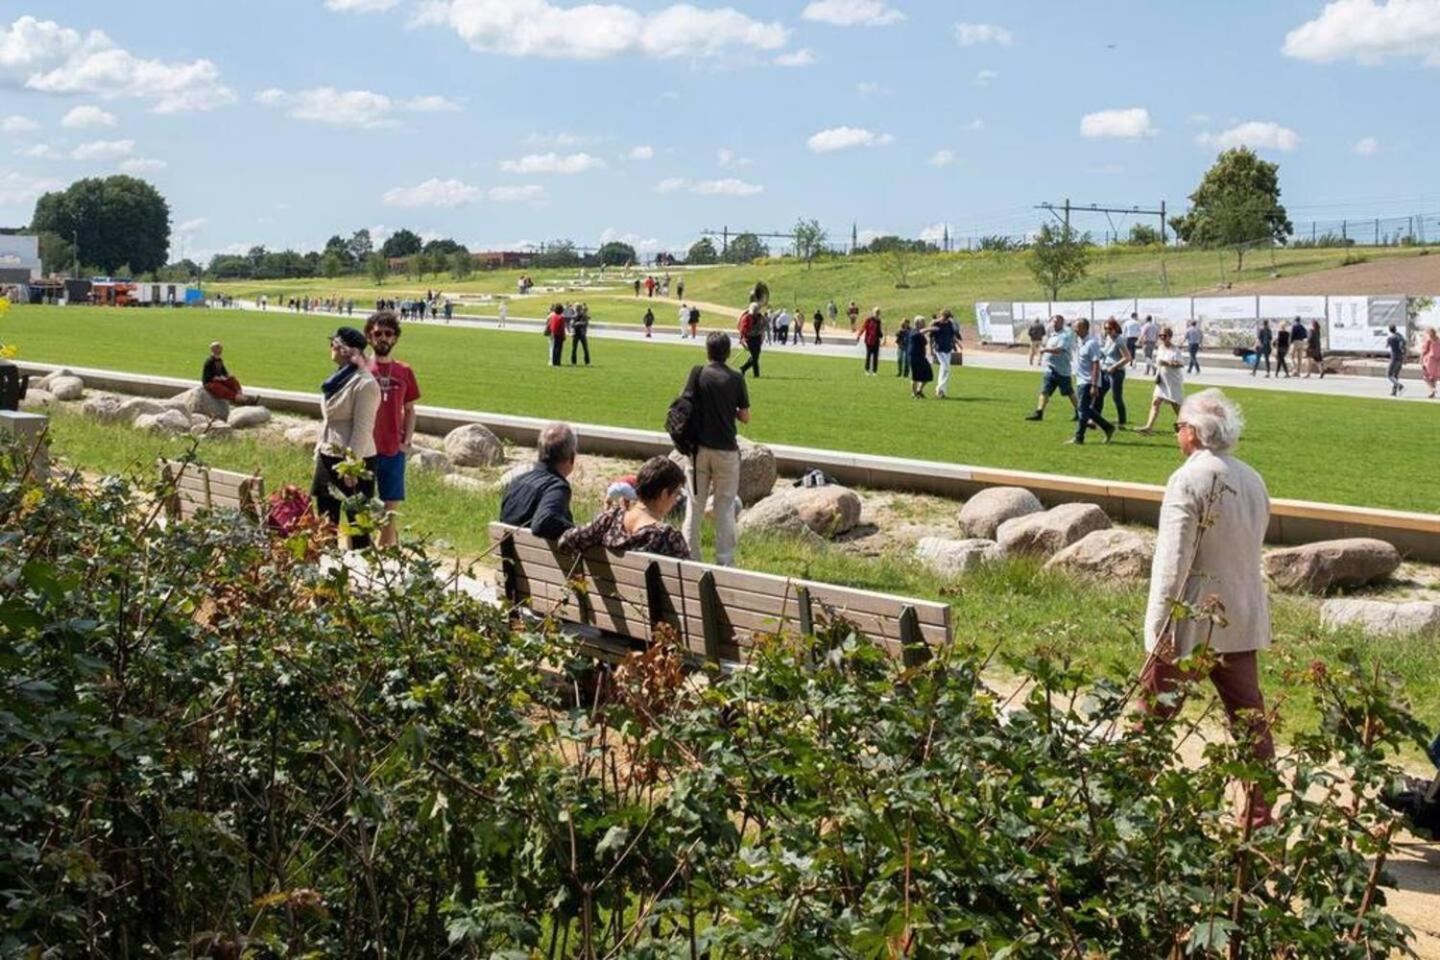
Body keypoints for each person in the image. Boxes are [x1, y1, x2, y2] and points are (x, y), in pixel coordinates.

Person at [1138, 388, 1275, 828]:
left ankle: (1125, 797)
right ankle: (1259, 815)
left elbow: (1172, 560)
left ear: (1194, 433)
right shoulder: (1252, 477)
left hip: (1191, 622)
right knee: (1250, 720)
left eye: (1178, 426)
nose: (1176, 433)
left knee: (1152, 717)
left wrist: (1159, 625)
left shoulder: (1188, 479)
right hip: (1242, 616)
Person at [681, 332, 750, 566]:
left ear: (707, 351)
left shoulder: (697, 373)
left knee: (695, 505)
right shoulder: (736, 377)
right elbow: (745, 416)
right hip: (726, 451)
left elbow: (684, 404)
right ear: (728, 352)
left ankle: (691, 556)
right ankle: (725, 561)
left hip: (698, 449)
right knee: (725, 506)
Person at [312, 327, 381, 550]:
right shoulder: (337, 379)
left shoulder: (365, 384)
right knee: (325, 522)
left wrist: (351, 464)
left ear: (346, 350)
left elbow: (363, 428)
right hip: (328, 455)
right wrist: (319, 449)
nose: (330, 348)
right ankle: (327, 573)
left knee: (358, 525)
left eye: (333, 344)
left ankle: (360, 575)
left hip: (354, 463)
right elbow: (329, 421)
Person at [559, 456, 691, 559]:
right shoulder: (668, 538)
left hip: (606, 593)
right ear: (664, 494)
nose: (677, 500)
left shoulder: (609, 520)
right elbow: (691, 583)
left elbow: (565, 541)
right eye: (677, 493)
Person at [365, 312, 421, 548]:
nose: (383, 338)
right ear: (369, 336)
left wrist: (406, 442)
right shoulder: (361, 369)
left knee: (389, 512)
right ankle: (357, 558)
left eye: (388, 334)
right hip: (365, 450)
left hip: (393, 450)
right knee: (361, 511)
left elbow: (410, 409)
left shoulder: (404, 371)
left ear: (395, 338)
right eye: (378, 333)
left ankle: (381, 564)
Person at [500, 422, 578, 539]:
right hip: (535, 556)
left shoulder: (517, 481)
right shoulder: (556, 488)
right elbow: (542, 524)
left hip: (513, 555)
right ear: (571, 457)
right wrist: (575, 530)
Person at [1068, 318, 1116, 445]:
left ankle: (1079, 438)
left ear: (1084, 328)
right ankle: (1107, 427)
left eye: (1077, 328)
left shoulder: (1091, 343)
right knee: (1083, 408)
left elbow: (1096, 364)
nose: (1075, 330)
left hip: (1088, 381)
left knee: (1083, 410)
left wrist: (1094, 385)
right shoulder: (1080, 341)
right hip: (1080, 380)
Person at [1024, 316, 1077, 421]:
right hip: (1050, 369)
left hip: (1062, 371)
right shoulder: (1052, 335)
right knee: (1044, 391)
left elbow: (1059, 350)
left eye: (1057, 322)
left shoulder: (1064, 336)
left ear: (1062, 323)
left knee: (1069, 392)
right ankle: (1039, 413)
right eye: (1053, 322)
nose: (1054, 324)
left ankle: (1079, 412)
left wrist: (1045, 350)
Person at [1136, 327, 1185, 434]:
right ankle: (1148, 427)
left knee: (1176, 405)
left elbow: (1181, 364)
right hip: (1162, 381)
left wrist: (1168, 363)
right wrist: (1156, 373)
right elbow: (1158, 363)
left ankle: (1184, 427)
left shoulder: (1175, 350)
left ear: (1170, 337)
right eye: (1160, 336)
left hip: (1173, 382)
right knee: (1155, 402)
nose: (1162, 338)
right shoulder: (1160, 348)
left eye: (1164, 336)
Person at [1100, 317, 1131, 426]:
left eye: (1109, 328)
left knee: (1116, 397)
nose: (1107, 331)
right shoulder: (1108, 338)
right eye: (1105, 328)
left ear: (1115, 328)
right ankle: (1095, 418)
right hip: (1104, 370)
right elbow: (1104, 352)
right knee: (1099, 394)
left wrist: (1114, 366)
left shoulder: (1119, 340)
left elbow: (1127, 357)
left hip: (1116, 373)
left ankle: (1122, 421)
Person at [931, 309, 960, 398]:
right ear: (942, 315)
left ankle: (942, 392)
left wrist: (956, 345)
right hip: (939, 349)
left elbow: (953, 335)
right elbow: (931, 337)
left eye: (948, 317)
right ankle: (939, 388)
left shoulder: (950, 324)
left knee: (943, 370)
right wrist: (930, 349)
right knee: (947, 368)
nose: (946, 319)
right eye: (945, 317)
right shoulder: (936, 323)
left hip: (948, 349)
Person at [907, 319, 933, 399]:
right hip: (914, 356)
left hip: (921, 357)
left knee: (928, 374)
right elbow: (917, 334)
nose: (924, 324)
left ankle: (919, 390)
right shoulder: (913, 331)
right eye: (923, 323)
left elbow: (924, 340)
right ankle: (914, 394)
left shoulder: (921, 333)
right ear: (917, 323)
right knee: (915, 376)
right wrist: (929, 328)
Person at [737, 303, 763, 378]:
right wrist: (742, 339)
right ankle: (746, 370)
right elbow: (743, 329)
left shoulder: (760, 317)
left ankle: (749, 371)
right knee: (755, 357)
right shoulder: (746, 317)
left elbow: (762, 326)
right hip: (749, 338)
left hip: (757, 338)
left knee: (756, 356)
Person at [856, 307, 883, 375]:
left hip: (876, 341)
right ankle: (867, 370)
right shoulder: (868, 320)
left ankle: (874, 371)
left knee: (875, 356)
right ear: (873, 312)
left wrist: (881, 335)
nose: (877, 314)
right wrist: (859, 335)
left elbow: (879, 331)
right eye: (876, 312)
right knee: (868, 356)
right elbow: (863, 327)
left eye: (878, 312)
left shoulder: (879, 321)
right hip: (869, 340)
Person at [1385, 324, 1407, 396]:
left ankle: (1400, 386)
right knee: (1395, 375)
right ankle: (1394, 392)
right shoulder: (1401, 337)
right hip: (1400, 357)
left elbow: (1386, 346)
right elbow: (1404, 346)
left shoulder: (1390, 338)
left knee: (1389, 374)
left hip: (1394, 357)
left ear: (1389, 330)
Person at [1421, 327, 1440, 398]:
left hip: (1430, 360)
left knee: (1426, 376)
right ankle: (1432, 393)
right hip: (1437, 360)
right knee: (1434, 377)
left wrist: (1421, 359)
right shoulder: (1438, 339)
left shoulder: (1429, 340)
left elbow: (1424, 350)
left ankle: (1432, 389)